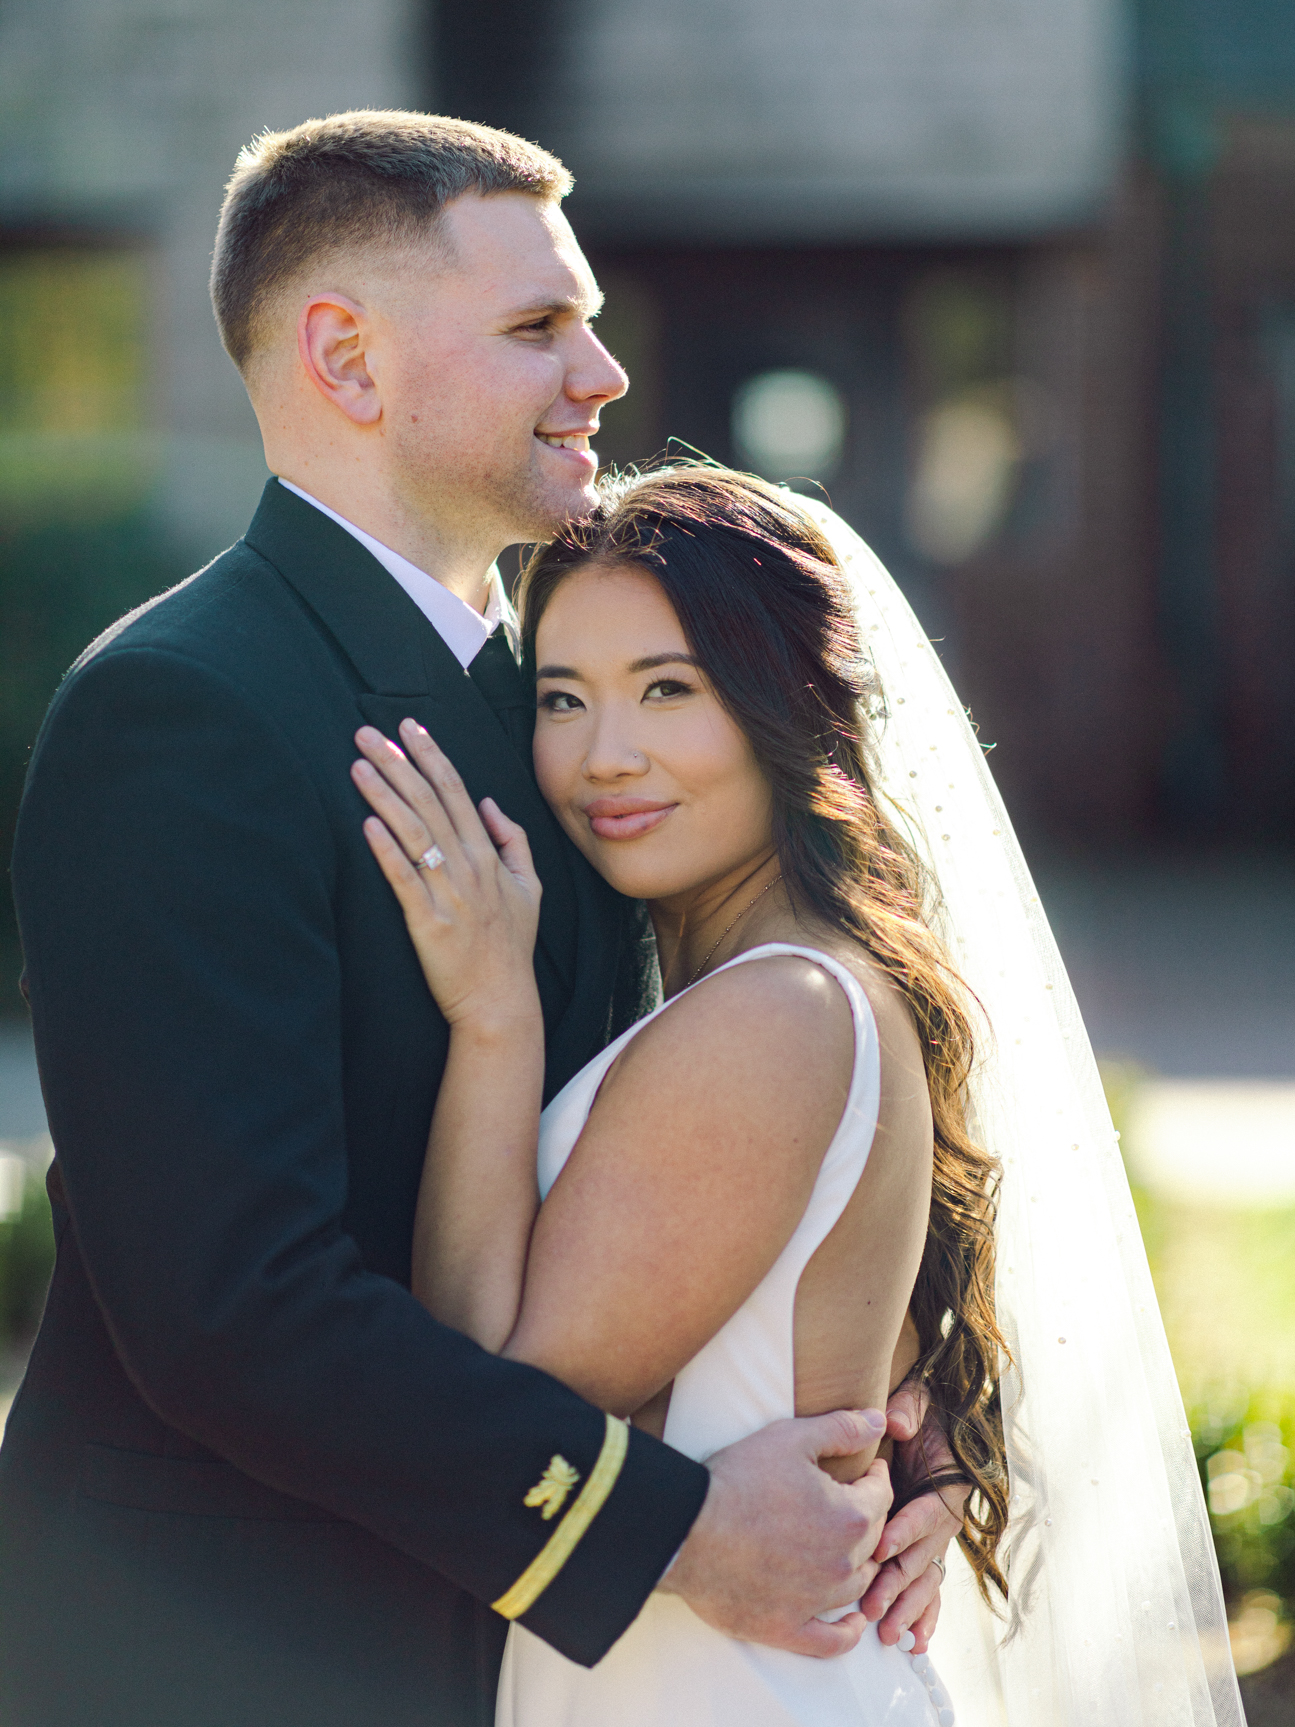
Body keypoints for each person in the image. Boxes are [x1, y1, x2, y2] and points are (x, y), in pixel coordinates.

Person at [1, 113, 959, 1727]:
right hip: (225, 1654)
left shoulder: (583, 712)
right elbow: (231, 1311)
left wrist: (904, 1426)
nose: (604, 374)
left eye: (586, 321)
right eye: (538, 327)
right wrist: (671, 1529)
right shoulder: (179, 710)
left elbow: (750, 1122)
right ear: (348, 359)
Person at [352, 463, 1249, 1727]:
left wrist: (491, 1016)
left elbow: (489, 1409)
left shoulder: (778, 1012)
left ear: (788, 704)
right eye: (563, 697)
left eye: (669, 688)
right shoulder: (790, 988)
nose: (606, 757)